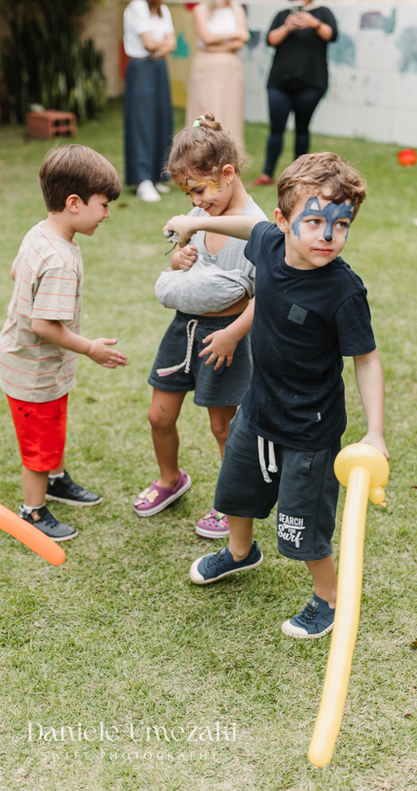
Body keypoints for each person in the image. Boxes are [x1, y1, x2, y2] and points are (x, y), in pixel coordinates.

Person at [164, 152, 386, 639]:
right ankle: (241, 552)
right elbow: (249, 227)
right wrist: (188, 218)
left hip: (309, 431)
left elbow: (365, 359)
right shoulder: (268, 243)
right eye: (314, 222)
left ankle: (329, 597)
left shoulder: (343, 291)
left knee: (301, 526)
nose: (328, 237)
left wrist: (375, 433)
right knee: (235, 494)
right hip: (257, 410)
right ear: (284, 222)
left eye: (341, 226)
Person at [135, 115, 267, 538]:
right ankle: (170, 479)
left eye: (198, 189)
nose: (194, 201)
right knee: (159, 415)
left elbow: (266, 296)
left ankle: (231, 502)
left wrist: (232, 334)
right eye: (188, 193)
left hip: (228, 335)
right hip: (182, 330)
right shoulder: (199, 213)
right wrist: (178, 261)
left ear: (227, 174)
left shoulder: (256, 226)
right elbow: (180, 262)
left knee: (223, 427)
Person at [0, 145, 128, 541]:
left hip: (34, 365)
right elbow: (42, 324)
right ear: (74, 203)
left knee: (52, 430)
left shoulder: (41, 233)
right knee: (39, 445)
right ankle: (33, 511)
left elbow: (18, 271)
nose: (107, 213)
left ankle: (55, 479)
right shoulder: (61, 261)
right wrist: (91, 348)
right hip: (33, 372)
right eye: (103, 205)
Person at [251, 2, 337, 187]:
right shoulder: (282, 14)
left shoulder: (323, 12)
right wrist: (287, 27)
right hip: (279, 82)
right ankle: (267, 174)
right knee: (275, 128)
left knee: (302, 129)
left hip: (312, 81)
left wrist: (314, 23)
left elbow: (332, 35)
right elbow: (271, 39)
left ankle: (300, 176)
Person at [123, 0, 177, 203]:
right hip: (141, 67)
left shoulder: (163, 9)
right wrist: (162, 44)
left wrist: (161, 44)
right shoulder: (137, 6)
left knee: (161, 120)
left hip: (159, 67)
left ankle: (157, 175)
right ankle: (142, 180)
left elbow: (171, 43)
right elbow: (149, 43)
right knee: (141, 122)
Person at [186, 0, 250, 152]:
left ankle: (228, 154)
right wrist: (235, 35)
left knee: (230, 113)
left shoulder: (237, 10)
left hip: (230, 68)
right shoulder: (200, 10)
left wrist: (215, 46)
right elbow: (207, 37)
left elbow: (241, 42)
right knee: (204, 111)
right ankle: (199, 154)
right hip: (206, 67)